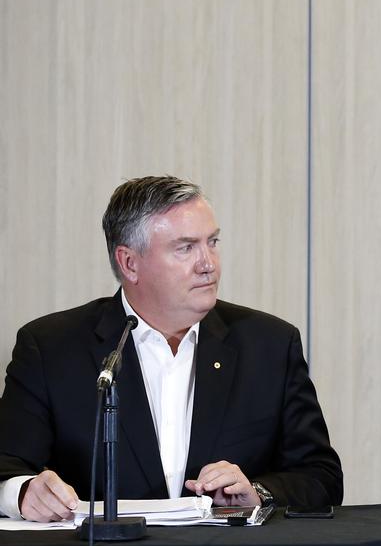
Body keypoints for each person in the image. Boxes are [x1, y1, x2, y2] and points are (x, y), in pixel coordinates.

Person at [0, 176, 342, 521]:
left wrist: (257, 493)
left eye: (212, 242)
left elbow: (321, 476)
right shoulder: (51, 348)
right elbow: (6, 466)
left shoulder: (269, 345)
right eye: (186, 247)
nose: (208, 263)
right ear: (130, 263)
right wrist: (24, 492)